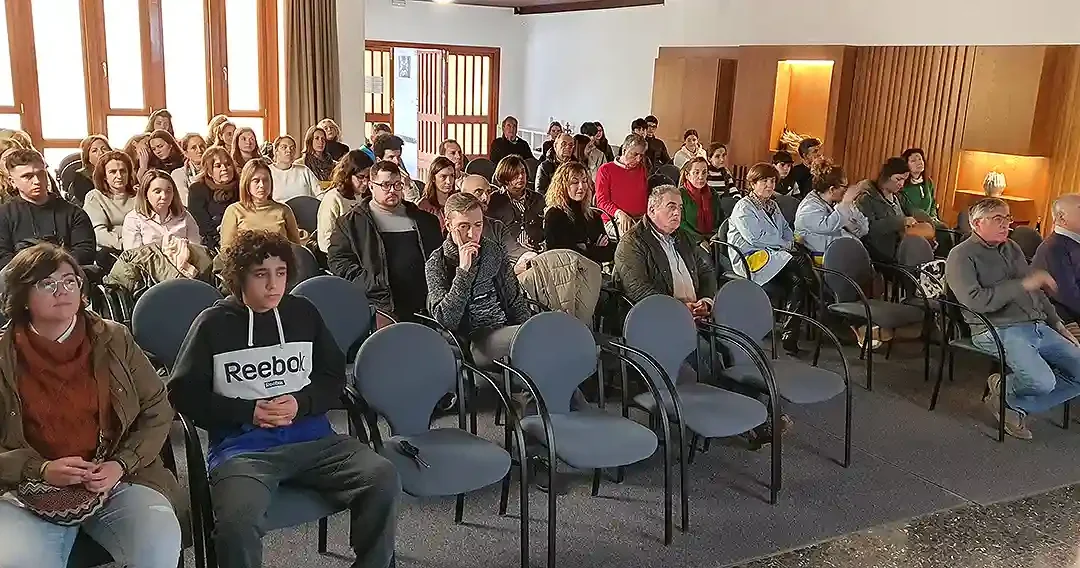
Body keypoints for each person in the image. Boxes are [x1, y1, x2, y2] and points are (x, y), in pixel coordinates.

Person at [168, 230, 400, 568]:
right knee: (236, 523)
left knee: (383, 477)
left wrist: (301, 404)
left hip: (316, 441)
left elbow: (333, 377)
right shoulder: (213, 324)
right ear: (239, 278)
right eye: (261, 275)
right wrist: (248, 412)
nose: (273, 285)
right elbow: (183, 393)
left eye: (281, 273)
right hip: (243, 450)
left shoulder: (303, 313)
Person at [0, 243, 183, 568]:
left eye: (70, 281)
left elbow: (157, 407)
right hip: (22, 488)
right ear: (22, 296)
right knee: (20, 561)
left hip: (115, 478)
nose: (63, 290)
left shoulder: (113, 338)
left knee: (160, 545)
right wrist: (39, 469)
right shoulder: (3, 354)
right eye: (48, 283)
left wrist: (121, 465)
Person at [946, 197, 1080, 440]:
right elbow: (976, 301)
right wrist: (1021, 285)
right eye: (998, 219)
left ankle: (1010, 402)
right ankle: (1008, 395)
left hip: (1036, 325)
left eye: (1007, 218)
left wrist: (1058, 325)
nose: (1006, 224)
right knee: (1042, 383)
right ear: (976, 223)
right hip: (996, 328)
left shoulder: (1012, 248)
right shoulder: (960, 256)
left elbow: (1036, 291)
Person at [426, 192, 531, 368]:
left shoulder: (492, 250)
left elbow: (514, 300)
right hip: (472, 340)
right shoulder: (437, 263)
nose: (472, 233)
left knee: (543, 347)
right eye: (463, 226)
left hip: (504, 328)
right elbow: (447, 320)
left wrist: (528, 326)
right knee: (537, 344)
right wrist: (464, 270)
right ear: (448, 224)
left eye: (478, 225)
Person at [328, 160, 442, 323]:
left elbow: (438, 258)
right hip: (380, 304)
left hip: (424, 304)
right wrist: (370, 282)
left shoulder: (425, 220)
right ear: (371, 186)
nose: (392, 190)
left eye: (397, 185)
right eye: (386, 185)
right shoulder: (350, 224)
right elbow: (338, 261)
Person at [727, 163, 813, 353]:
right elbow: (755, 238)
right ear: (753, 183)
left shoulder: (773, 205)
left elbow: (785, 230)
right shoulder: (744, 207)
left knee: (797, 282)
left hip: (774, 256)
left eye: (772, 181)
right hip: (750, 257)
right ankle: (817, 292)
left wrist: (789, 243)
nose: (769, 185)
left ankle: (790, 335)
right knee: (798, 261)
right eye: (764, 181)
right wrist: (787, 246)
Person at [613, 184, 715, 310]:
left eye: (680, 207)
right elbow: (637, 288)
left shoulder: (684, 237)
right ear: (652, 210)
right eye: (671, 207)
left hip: (696, 315)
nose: (677, 212)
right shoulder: (632, 242)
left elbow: (705, 270)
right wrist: (678, 308)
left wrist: (706, 301)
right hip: (657, 318)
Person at [0, 149, 95, 269]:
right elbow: (2, 257)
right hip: (20, 280)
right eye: (27, 176)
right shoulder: (4, 215)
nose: (37, 181)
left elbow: (85, 252)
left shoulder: (74, 213)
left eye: (41, 174)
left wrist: (52, 268)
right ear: (12, 182)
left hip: (66, 277)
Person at [855, 157, 935, 263]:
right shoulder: (866, 198)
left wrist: (927, 222)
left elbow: (912, 211)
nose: (901, 184)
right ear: (886, 177)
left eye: (904, 180)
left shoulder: (897, 196)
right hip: (880, 253)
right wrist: (900, 222)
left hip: (901, 245)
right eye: (898, 179)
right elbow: (868, 229)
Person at [793, 158, 868, 263]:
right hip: (822, 260)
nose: (847, 190)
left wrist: (849, 206)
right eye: (844, 187)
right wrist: (845, 204)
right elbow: (828, 227)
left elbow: (863, 230)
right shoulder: (809, 208)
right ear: (832, 189)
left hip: (844, 253)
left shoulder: (837, 203)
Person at [219, 159, 303, 251]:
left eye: (266, 180)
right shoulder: (234, 211)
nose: (262, 185)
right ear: (247, 183)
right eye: (256, 181)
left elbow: (296, 248)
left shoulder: (284, 210)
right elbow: (226, 251)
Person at [544, 162, 614, 264]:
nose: (581, 186)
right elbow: (562, 256)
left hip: (593, 273)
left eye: (584, 181)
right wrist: (594, 248)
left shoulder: (593, 215)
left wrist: (585, 248)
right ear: (562, 185)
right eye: (575, 182)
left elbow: (608, 253)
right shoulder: (554, 215)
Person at [1033, 194, 1080, 339]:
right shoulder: (1053, 248)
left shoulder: (1072, 243)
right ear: (1061, 217)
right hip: (1065, 318)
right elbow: (1067, 294)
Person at [123, 169, 201, 250]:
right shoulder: (133, 219)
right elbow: (134, 256)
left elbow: (196, 250)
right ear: (145, 194)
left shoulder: (185, 216)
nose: (164, 196)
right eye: (157, 192)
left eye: (168, 191)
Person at [488, 155, 544, 262]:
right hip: (507, 257)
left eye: (523, 172)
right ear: (505, 177)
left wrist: (541, 246)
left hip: (537, 253)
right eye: (515, 174)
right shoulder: (494, 201)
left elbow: (547, 228)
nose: (520, 177)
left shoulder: (538, 199)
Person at [317, 150, 374, 253]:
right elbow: (325, 241)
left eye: (368, 177)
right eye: (360, 177)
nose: (365, 182)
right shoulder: (333, 199)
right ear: (348, 175)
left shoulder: (368, 197)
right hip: (341, 255)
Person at [595, 134, 649, 238]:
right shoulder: (606, 170)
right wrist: (618, 213)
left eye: (641, 155)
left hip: (641, 218)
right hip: (615, 219)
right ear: (624, 151)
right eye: (635, 154)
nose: (638, 159)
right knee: (632, 239)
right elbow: (602, 201)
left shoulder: (641, 168)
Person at [187, 146, 240, 251]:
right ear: (210, 172)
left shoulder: (241, 187)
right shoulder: (197, 189)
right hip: (211, 241)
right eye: (218, 166)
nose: (224, 168)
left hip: (239, 237)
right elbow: (201, 224)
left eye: (228, 164)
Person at [85, 150, 137, 251]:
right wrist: (124, 245)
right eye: (112, 172)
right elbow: (99, 234)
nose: (119, 176)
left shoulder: (139, 195)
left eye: (123, 171)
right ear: (104, 176)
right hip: (110, 250)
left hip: (138, 248)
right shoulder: (94, 197)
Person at [677, 156, 720, 245]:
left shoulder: (713, 193)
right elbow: (680, 223)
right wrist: (699, 240)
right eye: (696, 173)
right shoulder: (680, 194)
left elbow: (720, 218)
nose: (701, 177)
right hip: (689, 240)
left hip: (714, 238)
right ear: (687, 175)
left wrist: (716, 235)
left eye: (704, 173)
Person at [267, 135, 320, 201]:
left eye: (292, 148)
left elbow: (319, 193)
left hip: (305, 209)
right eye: (284, 147)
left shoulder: (304, 170)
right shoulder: (267, 171)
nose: (289, 150)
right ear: (276, 151)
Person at [67, 135, 110, 205]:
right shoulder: (81, 177)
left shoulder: (119, 170)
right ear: (87, 157)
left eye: (104, 149)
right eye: (94, 151)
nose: (101, 153)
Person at [418, 157, 458, 230]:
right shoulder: (424, 206)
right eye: (443, 176)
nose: (449, 181)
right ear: (433, 178)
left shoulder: (458, 201)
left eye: (452, 176)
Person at [372, 134, 415, 202]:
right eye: (391, 157)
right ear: (379, 160)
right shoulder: (373, 181)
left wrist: (407, 187)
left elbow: (415, 207)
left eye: (398, 157)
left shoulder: (404, 178)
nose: (396, 161)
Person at [171, 133, 207, 206]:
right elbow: (186, 202)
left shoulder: (215, 169)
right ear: (186, 153)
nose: (200, 150)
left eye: (202, 146)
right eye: (194, 148)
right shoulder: (178, 174)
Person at [705, 143, 740, 218]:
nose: (722, 159)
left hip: (724, 208)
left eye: (724, 155)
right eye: (717, 156)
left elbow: (733, 189)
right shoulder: (706, 173)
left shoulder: (725, 173)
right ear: (709, 158)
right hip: (709, 208)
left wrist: (737, 199)